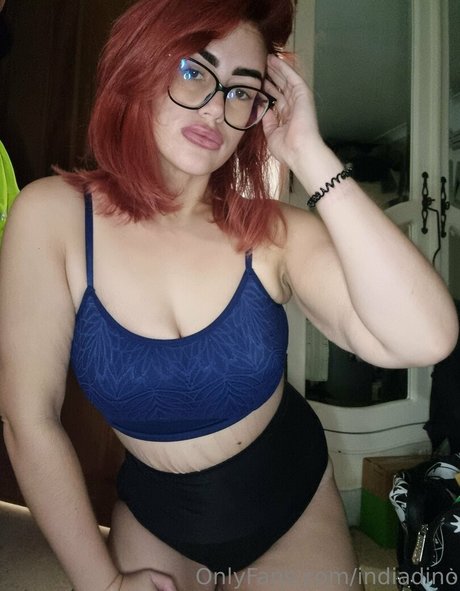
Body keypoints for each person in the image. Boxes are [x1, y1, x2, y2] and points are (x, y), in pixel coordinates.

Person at [0, 1, 458, 590]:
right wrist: (103, 585)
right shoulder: (52, 216)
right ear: (139, 66)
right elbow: (28, 419)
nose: (216, 108)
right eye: (194, 71)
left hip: (289, 500)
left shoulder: (273, 231)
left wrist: (310, 154)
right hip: (159, 516)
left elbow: (426, 337)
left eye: (242, 91)